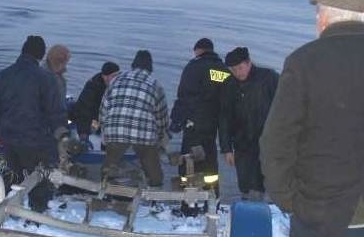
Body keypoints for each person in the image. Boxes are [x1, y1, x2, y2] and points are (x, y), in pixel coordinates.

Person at [260, 0, 364, 237]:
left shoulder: (304, 61)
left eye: (318, 14)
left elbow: (275, 143)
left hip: (320, 217)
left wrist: (289, 200)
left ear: (326, 18)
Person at [0, 35, 68, 212]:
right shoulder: (46, 78)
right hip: (36, 140)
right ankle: (36, 212)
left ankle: (5, 209)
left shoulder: (2, 76)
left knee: (12, 176)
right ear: (40, 55)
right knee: (40, 177)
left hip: (8, 138)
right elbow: (55, 112)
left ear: (23, 51)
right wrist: (63, 134)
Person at [99, 50, 169, 187]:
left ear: (133, 64)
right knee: (154, 172)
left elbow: (103, 108)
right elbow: (161, 118)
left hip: (115, 130)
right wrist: (160, 138)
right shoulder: (156, 85)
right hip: (144, 134)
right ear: (150, 67)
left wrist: (104, 131)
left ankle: (105, 187)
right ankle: (154, 192)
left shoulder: (116, 79)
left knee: (109, 165)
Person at [219, 46, 278, 200]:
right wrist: (226, 149)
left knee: (266, 182)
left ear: (249, 63)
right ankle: (248, 208)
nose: (238, 73)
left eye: (240, 68)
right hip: (242, 143)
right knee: (245, 184)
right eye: (233, 70)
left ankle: (267, 211)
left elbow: (284, 107)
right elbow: (224, 117)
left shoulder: (268, 77)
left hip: (268, 142)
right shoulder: (228, 84)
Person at [170, 38, 230, 185]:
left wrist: (176, 121)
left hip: (193, 122)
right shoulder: (222, 70)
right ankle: (211, 194)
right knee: (209, 158)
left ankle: (187, 196)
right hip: (212, 124)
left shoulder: (193, 67)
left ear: (198, 50)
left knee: (188, 158)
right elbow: (228, 97)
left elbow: (183, 96)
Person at [71, 61, 120, 144]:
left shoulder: (120, 84)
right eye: (113, 76)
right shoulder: (92, 86)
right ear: (103, 76)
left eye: (116, 76)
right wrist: (84, 134)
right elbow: (84, 109)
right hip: (93, 114)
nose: (116, 78)